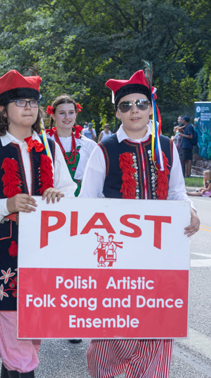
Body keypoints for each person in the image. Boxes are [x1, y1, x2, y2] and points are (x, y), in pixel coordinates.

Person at [80, 69, 200, 378]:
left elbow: (176, 192)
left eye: (141, 103)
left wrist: (190, 211)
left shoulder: (167, 145)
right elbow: (88, 202)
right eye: (126, 105)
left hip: (161, 254)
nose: (135, 110)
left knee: (159, 327)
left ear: (151, 108)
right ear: (117, 111)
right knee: (113, 332)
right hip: (116, 257)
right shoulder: (104, 149)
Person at [0, 70, 77, 378]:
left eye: (33, 102)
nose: (29, 107)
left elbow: (69, 191)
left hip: (43, 253)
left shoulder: (50, 148)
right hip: (2, 254)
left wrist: (57, 196)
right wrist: (6, 205)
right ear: (3, 109)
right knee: (16, 337)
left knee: (29, 335)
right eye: (20, 102)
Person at [46, 94, 96, 197]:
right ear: (53, 115)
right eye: (62, 113)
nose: (67, 117)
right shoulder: (44, 143)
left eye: (71, 113)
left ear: (76, 114)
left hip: (81, 204)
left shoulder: (88, 145)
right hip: (51, 203)